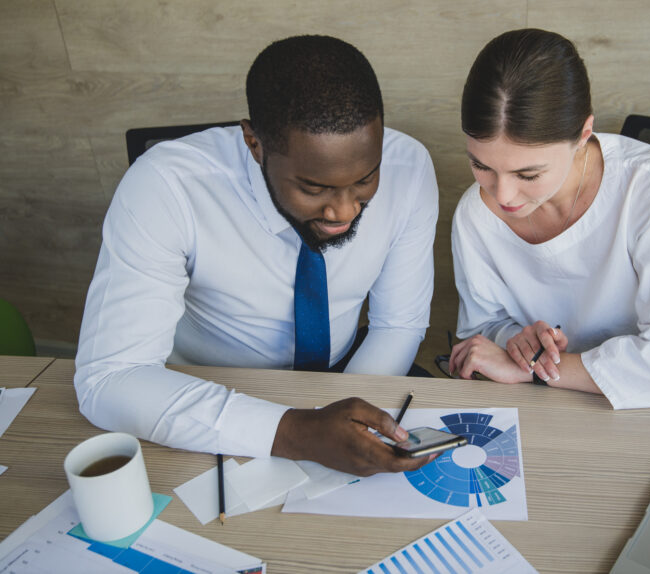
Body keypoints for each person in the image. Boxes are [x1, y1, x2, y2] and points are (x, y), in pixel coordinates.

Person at [74, 36, 439, 476]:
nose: (344, 210)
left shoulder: (409, 165)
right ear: (254, 143)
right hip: (205, 393)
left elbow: (398, 323)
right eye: (314, 187)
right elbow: (108, 380)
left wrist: (344, 419)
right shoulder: (165, 186)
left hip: (347, 370)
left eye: (365, 179)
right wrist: (297, 432)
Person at [448, 29, 650, 409]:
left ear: (583, 134)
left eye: (528, 175)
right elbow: (482, 326)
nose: (501, 195)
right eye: (480, 165)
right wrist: (517, 340)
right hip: (557, 391)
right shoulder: (475, 214)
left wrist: (536, 369)